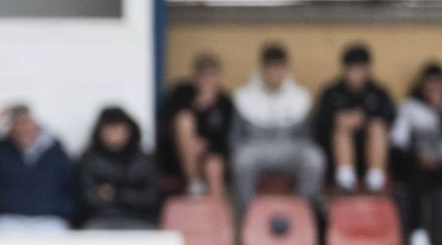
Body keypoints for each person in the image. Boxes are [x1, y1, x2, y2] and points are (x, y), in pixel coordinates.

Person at [230, 42, 322, 208]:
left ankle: (303, 212)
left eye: (278, 68)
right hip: (256, 150)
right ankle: (248, 216)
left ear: (286, 69)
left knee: (314, 159)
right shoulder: (243, 97)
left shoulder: (300, 97)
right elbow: (235, 139)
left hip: (290, 149)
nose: (274, 73)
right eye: (270, 68)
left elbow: (308, 137)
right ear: (261, 69)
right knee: (241, 160)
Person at [0, 104, 78, 230]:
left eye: (26, 122)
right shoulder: (1, 150)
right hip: (9, 219)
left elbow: (70, 183)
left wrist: (64, 211)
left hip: (49, 218)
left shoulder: (55, 151)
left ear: (35, 123)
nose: (22, 129)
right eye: (17, 124)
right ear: (10, 127)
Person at [314, 43, 394, 193]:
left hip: (370, 153)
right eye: (352, 69)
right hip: (336, 155)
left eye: (360, 69)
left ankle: (375, 182)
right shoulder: (331, 93)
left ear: (368, 69)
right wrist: (338, 120)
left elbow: (390, 119)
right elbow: (320, 123)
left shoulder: (379, 93)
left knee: (377, 126)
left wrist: (364, 120)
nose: (356, 74)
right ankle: (345, 181)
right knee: (341, 128)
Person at [157, 53, 233, 197]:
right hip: (176, 154)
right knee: (185, 120)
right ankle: (194, 183)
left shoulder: (225, 102)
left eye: (212, 75)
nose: (208, 80)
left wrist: (206, 145)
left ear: (219, 77)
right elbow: (167, 123)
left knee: (214, 166)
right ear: (195, 77)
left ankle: (215, 215)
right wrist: (200, 106)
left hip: (211, 154)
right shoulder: (180, 93)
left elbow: (225, 138)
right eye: (204, 75)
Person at [78, 106, 160, 230]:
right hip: (100, 220)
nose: (114, 135)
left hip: (139, 220)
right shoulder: (89, 160)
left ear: (129, 131)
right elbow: (88, 198)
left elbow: (151, 198)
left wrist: (117, 193)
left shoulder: (144, 161)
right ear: (100, 132)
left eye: (118, 129)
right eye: (109, 130)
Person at [391, 62, 442, 245]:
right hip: (417, 165)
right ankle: (418, 234)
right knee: (417, 177)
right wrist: (417, 156)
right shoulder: (410, 108)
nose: (434, 88)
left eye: (439, 83)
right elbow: (398, 142)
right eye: (430, 83)